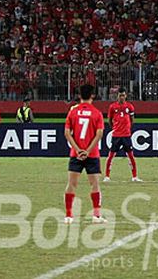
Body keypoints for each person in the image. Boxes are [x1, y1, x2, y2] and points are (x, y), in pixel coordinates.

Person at [63, 84, 106, 224]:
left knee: (71, 184)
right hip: (92, 154)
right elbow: (99, 134)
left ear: (79, 95)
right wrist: (87, 151)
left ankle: (69, 216)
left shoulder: (73, 112)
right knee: (94, 184)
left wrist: (77, 149)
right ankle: (96, 215)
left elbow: (67, 133)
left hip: (75, 154)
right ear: (92, 95)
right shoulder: (96, 113)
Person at [104, 88, 140, 182]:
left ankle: (134, 176)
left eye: (123, 95)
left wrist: (127, 128)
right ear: (117, 96)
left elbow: (132, 120)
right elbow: (109, 120)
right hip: (116, 135)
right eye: (120, 95)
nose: (122, 97)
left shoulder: (130, 107)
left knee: (131, 156)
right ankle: (107, 176)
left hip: (126, 135)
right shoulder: (112, 107)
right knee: (111, 156)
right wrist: (115, 128)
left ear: (126, 96)